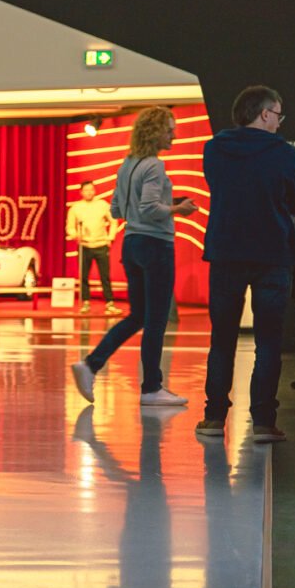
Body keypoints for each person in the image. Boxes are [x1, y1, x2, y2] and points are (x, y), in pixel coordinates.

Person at [197, 86, 295, 442]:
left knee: (222, 338)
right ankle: (262, 422)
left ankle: (214, 418)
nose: (279, 122)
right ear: (264, 114)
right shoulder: (281, 152)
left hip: (226, 251)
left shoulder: (214, 148)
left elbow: (218, 187)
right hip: (273, 254)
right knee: (269, 340)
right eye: (278, 114)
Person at [70, 107, 198, 406]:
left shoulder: (127, 164)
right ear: (155, 132)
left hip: (132, 245)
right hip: (155, 245)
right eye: (169, 129)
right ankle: (152, 387)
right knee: (156, 319)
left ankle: (91, 364)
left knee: (139, 315)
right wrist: (178, 209)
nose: (174, 134)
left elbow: (116, 209)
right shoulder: (154, 166)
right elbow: (151, 208)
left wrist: (154, 207)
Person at [66, 180, 122, 314]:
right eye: (86, 190)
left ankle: (109, 303)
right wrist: (75, 235)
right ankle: (86, 302)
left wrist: (111, 237)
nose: (89, 192)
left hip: (101, 245)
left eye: (91, 189)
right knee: (84, 276)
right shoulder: (76, 207)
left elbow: (114, 221)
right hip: (84, 245)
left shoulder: (102, 205)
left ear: (94, 190)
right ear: (81, 192)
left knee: (105, 276)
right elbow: (70, 226)